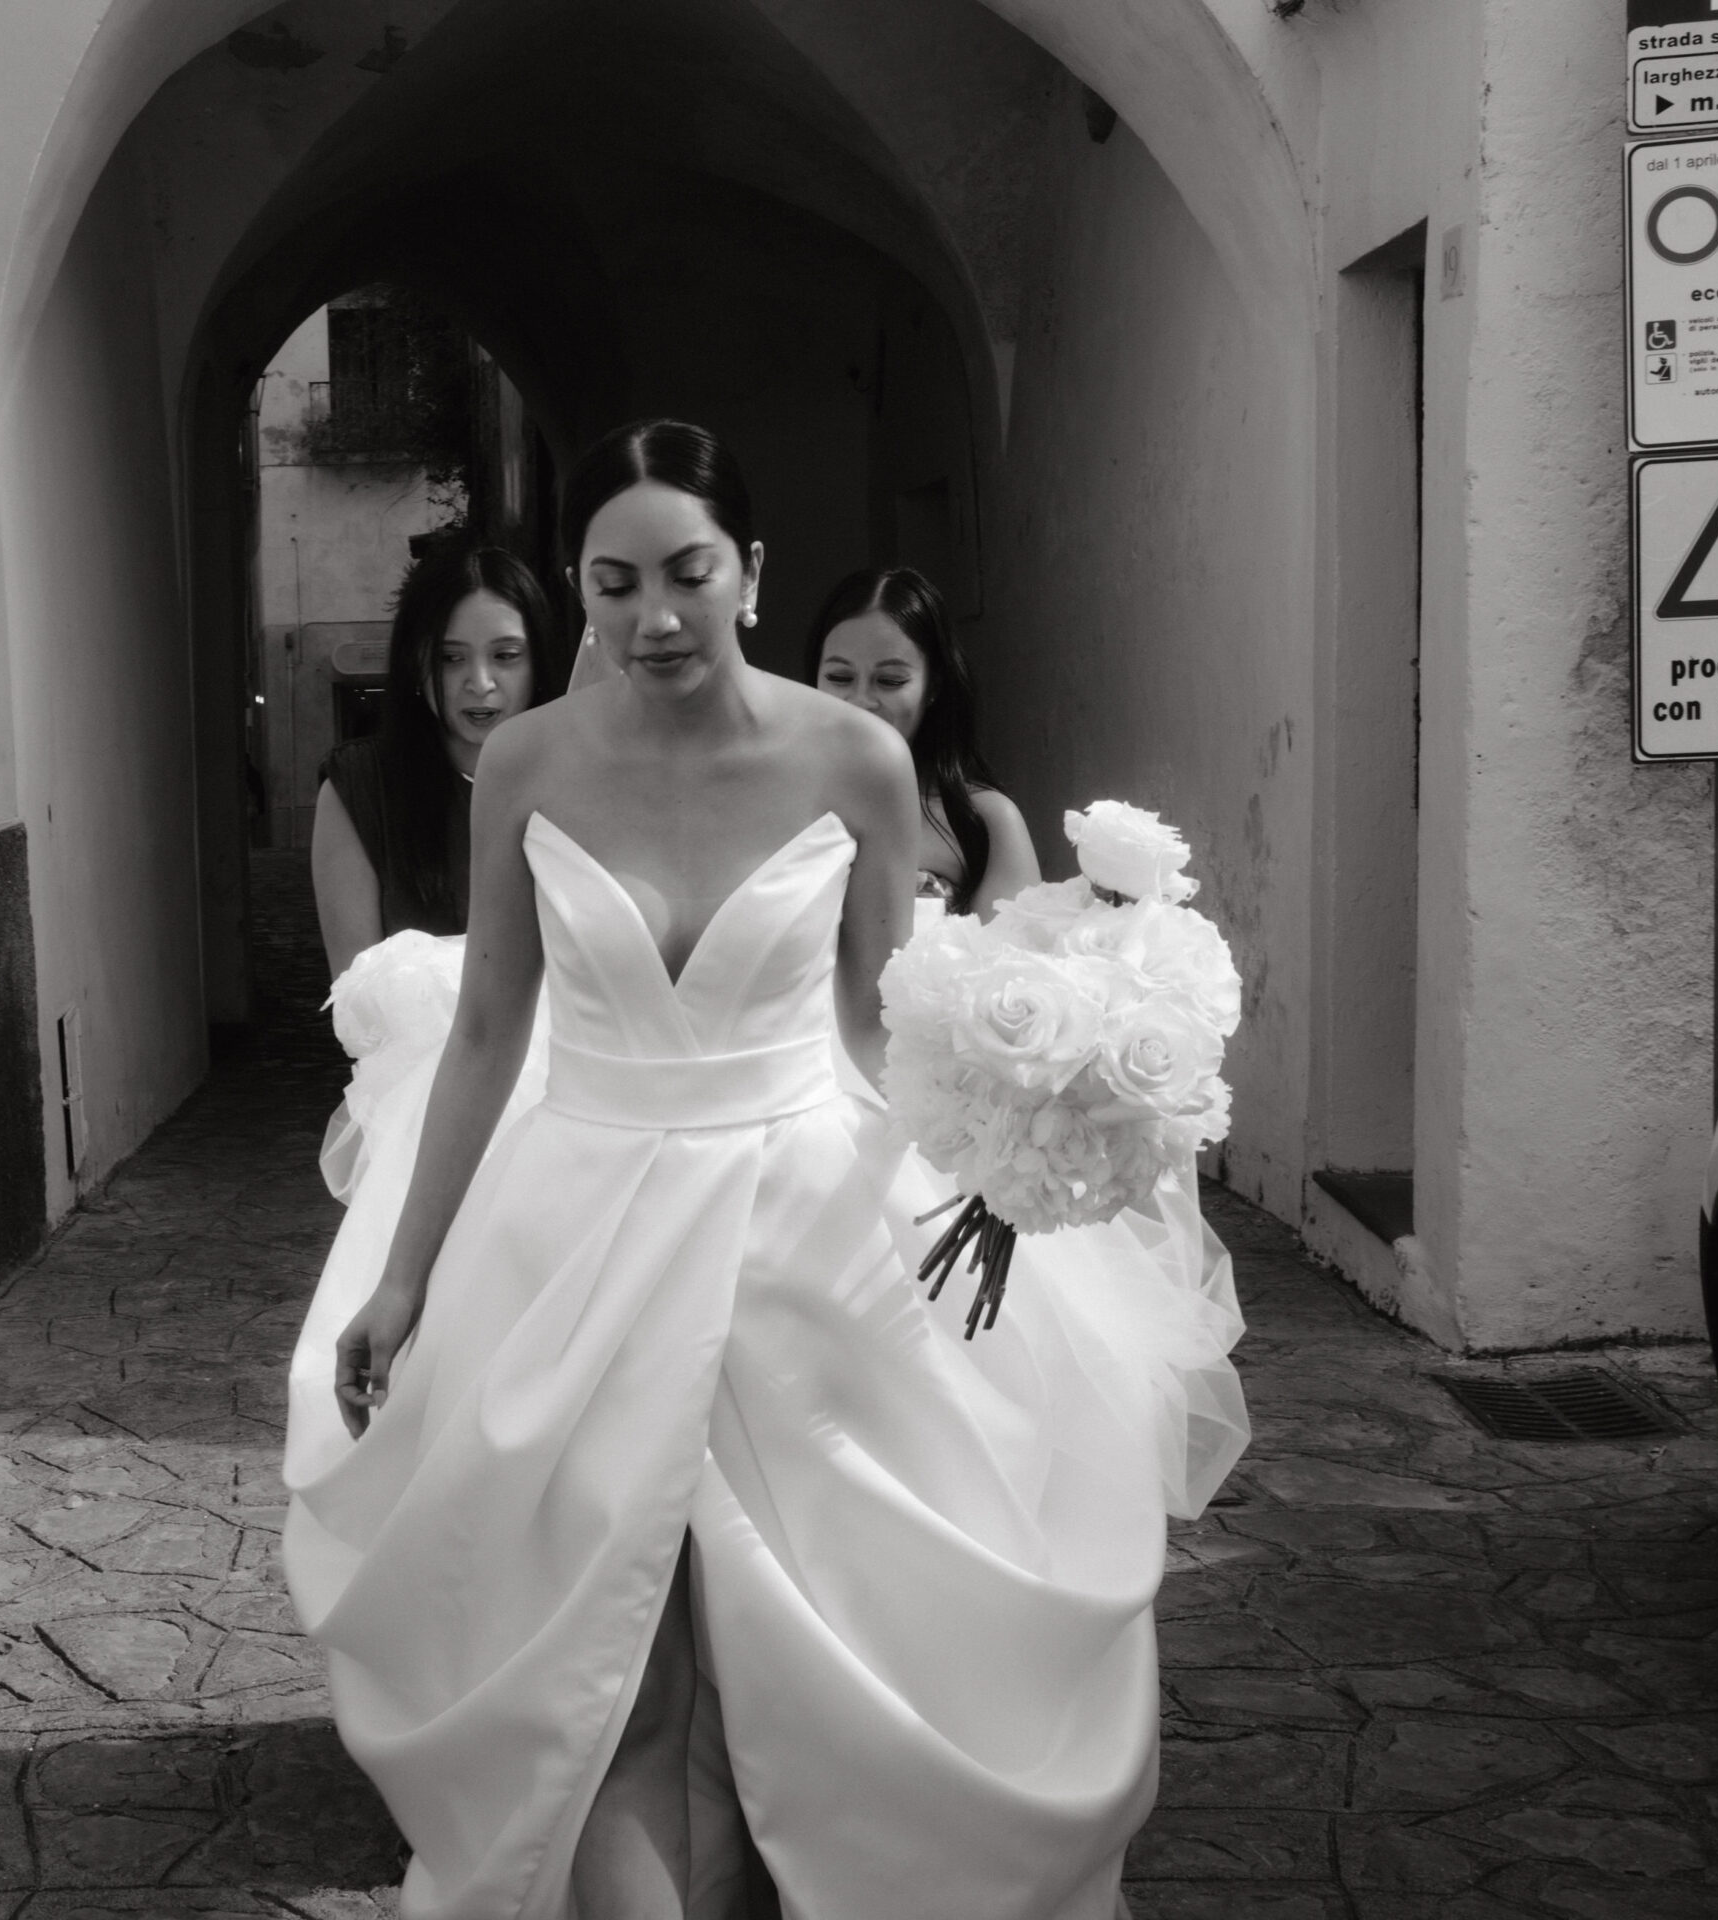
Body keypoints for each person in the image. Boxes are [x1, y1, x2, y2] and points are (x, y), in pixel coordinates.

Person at [283, 420, 1247, 1920]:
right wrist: (404, 1273)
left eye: (687, 573)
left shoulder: (852, 757)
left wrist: (1008, 1148)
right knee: (622, 1671)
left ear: (750, 570)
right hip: (579, 1240)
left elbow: (878, 1025)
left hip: (804, 1234)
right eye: (611, 584)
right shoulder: (527, 764)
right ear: (578, 592)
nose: (652, 618)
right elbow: (486, 1031)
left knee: (806, 1665)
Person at [311, 543, 560, 982]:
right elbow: (356, 996)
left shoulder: (583, 779)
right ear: (415, 659)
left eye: (505, 656)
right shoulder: (361, 789)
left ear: (538, 660)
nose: (479, 684)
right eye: (450, 658)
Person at [808, 564, 1040, 914]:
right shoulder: (772, 800)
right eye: (839, 677)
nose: (860, 701)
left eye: (889, 681)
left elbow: (1016, 964)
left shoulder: (985, 823)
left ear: (933, 686)